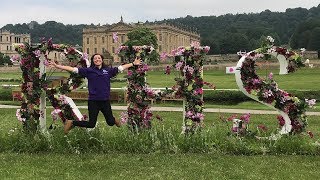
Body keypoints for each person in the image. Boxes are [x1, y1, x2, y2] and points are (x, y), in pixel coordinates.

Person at [48, 53, 142, 134]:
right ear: (93, 61)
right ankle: (72, 122)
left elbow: (121, 68)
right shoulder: (89, 71)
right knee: (91, 124)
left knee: (110, 122)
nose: (97, 59)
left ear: (102, 60)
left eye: (99, 58)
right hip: (93, 101)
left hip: (105, 101)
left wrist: (133, 63)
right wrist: (58, 66)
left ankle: (113, 120)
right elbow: (73, 69)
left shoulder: (108, 70)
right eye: (95, 58)